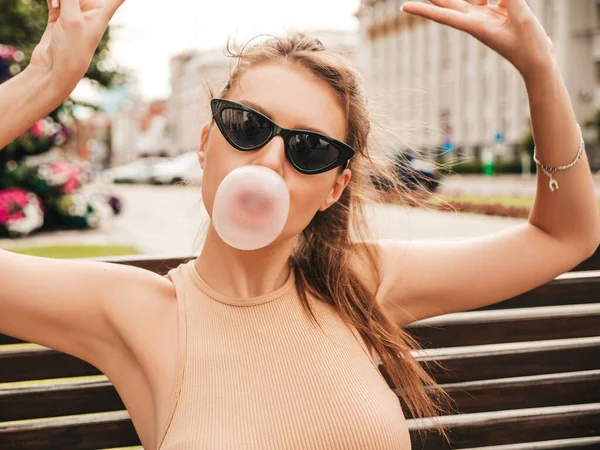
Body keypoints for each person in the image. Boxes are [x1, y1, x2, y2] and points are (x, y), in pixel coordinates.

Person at [1, 0, 599, 449]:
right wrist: (44, 81)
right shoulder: (134, 311)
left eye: (309, 149)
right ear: (206, 144)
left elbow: (563, 236)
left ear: (334, 187)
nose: (268, 160)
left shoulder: (359, 281)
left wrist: (540, 67)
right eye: (246, 126)